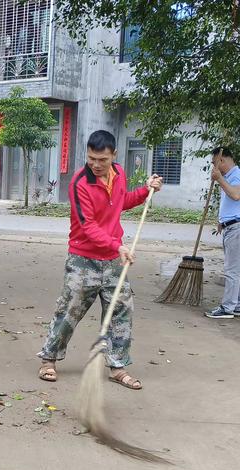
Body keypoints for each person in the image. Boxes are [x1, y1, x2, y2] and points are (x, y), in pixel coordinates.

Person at [37, 130, 163, 389]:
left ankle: (117, 366)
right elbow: (88, 227)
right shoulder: (79, 183)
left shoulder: (118, 174)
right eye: (91, 158)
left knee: (121, 311)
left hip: (114, 260)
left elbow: (121, 202)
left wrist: (145, 191)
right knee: (69, 310)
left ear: (113, 155)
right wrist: (117, 246)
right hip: (83, 259)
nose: (96, 164)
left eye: (102, 159)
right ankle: (49, 359)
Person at [205, 147, 240, 319]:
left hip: (236, 228)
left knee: (231, 269)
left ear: (222, 161)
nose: (213, 167)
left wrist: (219, 178)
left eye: (214, 163)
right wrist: (222, 221)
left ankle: (228, 308)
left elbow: (235, 195)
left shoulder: (237, 174)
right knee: (236, 269)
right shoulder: (228, 176)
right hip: (230, 226)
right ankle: (237, 304)